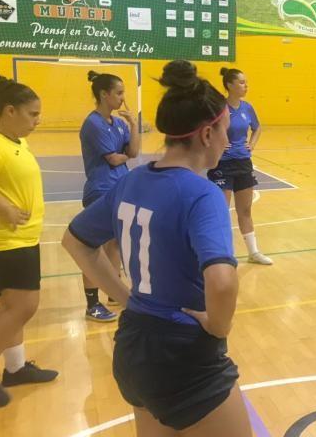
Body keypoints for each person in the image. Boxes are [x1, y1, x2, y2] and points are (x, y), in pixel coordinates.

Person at [62, 61, 251, 435]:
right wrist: (217, 325)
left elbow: (75, 241)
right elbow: (223, 282)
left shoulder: (131, 182)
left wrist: (126, 297)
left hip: (133, 346)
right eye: (226, 132)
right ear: (208, 134)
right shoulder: (203, 195)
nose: (229, 142)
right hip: (183, 355)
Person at [0, 75, 58, 407]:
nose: (38, 121)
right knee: (24, 307)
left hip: (23, 239)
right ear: (9, 111)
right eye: (32, 114)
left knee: (11, 309)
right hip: (8, 242)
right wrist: (3, 205)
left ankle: (16, 368)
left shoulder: (17, 142)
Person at [79, 71, 140, 322]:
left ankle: (113, 290)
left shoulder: (117, 123)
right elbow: (115, 159)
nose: (122, 98)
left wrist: (134, 125)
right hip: (100, 190)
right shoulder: (93, 123)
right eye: (119, 93)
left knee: (114, 243)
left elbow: (134, 151)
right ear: (104, 94)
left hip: (119, 188)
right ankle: (92, 304)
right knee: (93, 247)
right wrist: (125, 156)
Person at [207, 67, 271, 265]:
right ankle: (222, 254)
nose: (246, 86)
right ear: (229, 85)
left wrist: (251, 145)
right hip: (222, 165)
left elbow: (258, 127)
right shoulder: (219, 108)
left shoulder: (247, 108)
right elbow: (205, 130)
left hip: (243, 162)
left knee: (245, 211)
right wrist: (217, 141)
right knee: (221, 211)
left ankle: (253, 252)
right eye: (242, 82)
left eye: (246, 82)